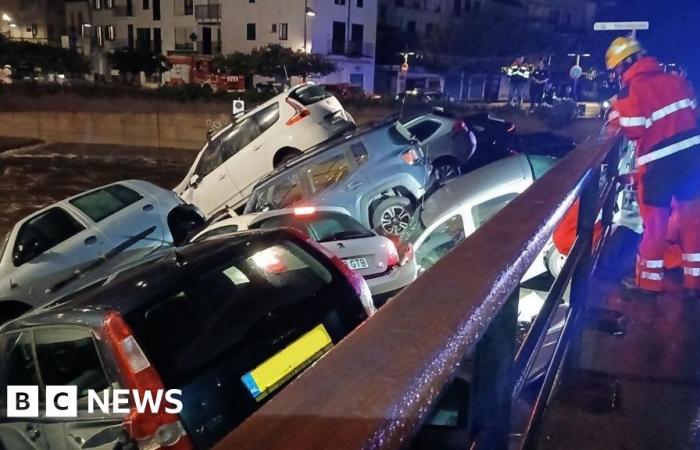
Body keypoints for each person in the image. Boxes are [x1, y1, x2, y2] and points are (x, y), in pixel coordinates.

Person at [606, 36, 700, 299]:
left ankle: (648, 285)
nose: (615, 75)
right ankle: (695, 283)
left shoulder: (632, 89)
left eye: (615, 70)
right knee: (692, 221)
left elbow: (634, 129)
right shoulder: (675, 79)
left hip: (659, 166)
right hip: (693, 160)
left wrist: (616, 109)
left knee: (655, 225)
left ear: (623, 66)